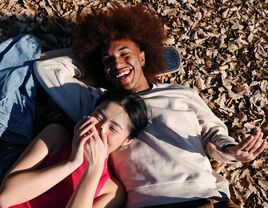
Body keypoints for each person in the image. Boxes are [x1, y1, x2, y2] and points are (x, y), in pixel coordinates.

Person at [32, 3, 267, 208]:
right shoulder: (98, 103)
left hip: (205, 197)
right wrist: (95, 68)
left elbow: (214, 133)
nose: (117, 63)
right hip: (147, 203)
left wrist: (230, 150)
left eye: (126, 55)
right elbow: (47, 68)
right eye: (108, 60)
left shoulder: (180, 94)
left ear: (143, 56)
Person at [0, 89, 149, 208]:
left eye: (113, 128)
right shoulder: (56, 136)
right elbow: (5, 197)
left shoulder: (112, 191)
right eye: (98, 116)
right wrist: (72, 163)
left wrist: (94, 170)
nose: (100, 128)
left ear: (126, 141)